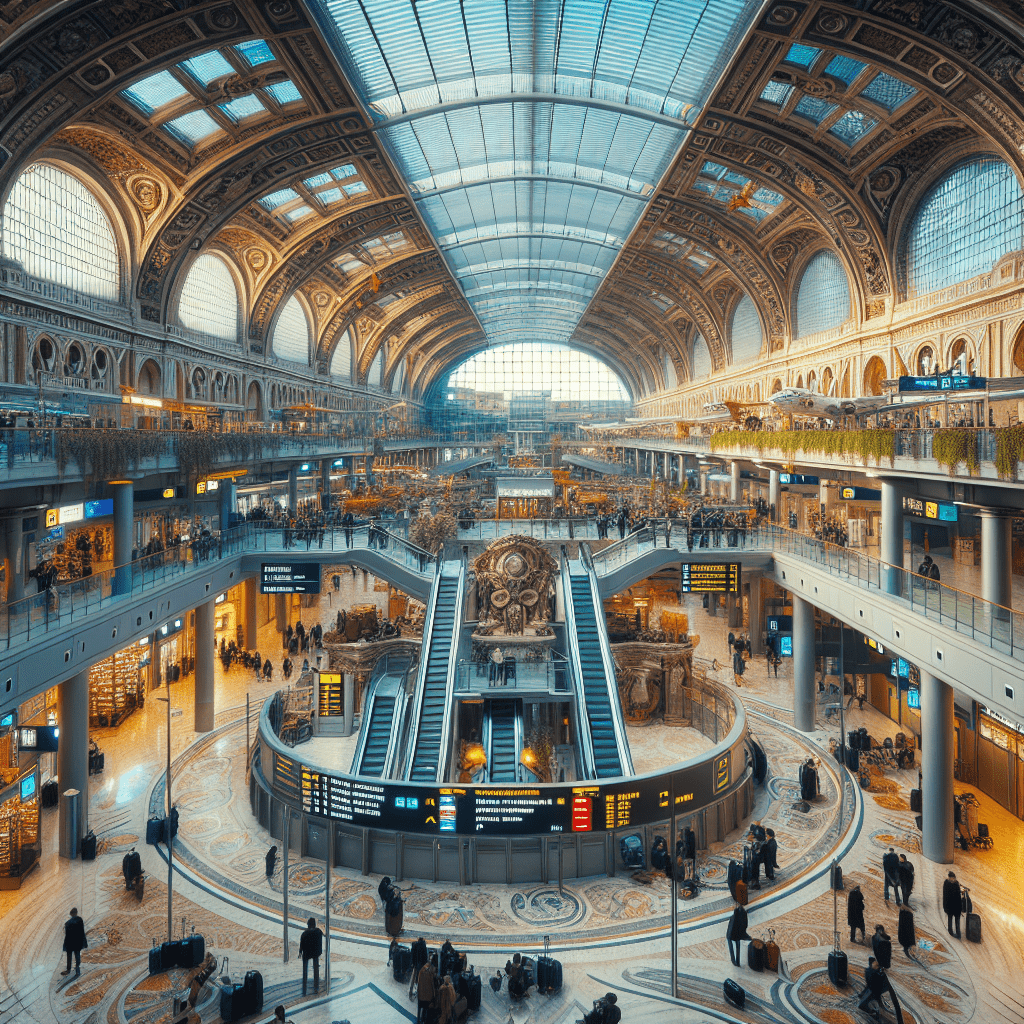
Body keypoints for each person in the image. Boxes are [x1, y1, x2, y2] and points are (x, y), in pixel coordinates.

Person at [299, 916, 323, 995]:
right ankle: (316, 987)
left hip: (306, 954)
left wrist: (300, 953)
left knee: (305, 971)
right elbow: (320, 943)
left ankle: (304, 987)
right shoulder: (318, 932)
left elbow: (301, 945)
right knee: (316, 970)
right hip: (315, 953)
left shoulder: (304, 933)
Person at [61, 907, 87, 977]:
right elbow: (82, 932)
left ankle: (69, 970)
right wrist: (84, 942)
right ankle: (77, 970)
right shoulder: (79, 920)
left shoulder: (68, 923)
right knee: (77, 956)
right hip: (77, 942)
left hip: (70, 942)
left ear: (72, 914)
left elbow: (67, 934)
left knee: (70, 956)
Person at [416, 955, 437, 1024]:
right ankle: (425, 1020)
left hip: (421, 996)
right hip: (428, 997)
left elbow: (418, 982)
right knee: (428, 1009)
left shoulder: (422, 970)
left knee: (421, 1008)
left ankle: (419, 1020)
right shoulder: (431, 972)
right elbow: (432, 986)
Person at [943, 870, 963, 938]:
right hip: (950, 906)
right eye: (952, 878)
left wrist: (960, 907)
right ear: (949, 877)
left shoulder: (956, 883)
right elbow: (945, 896)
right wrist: (945, 907)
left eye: (953, 878)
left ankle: (957, 932)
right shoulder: (947, 884)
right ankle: (951, 932)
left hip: (956, 906)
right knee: (950, 918)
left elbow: (959, 897)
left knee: (956, 920)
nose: (953, 879)